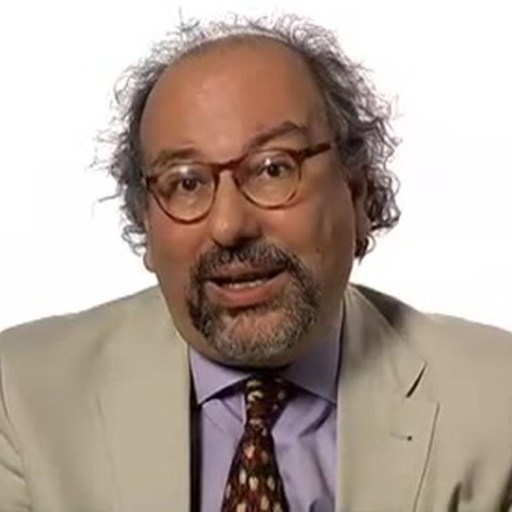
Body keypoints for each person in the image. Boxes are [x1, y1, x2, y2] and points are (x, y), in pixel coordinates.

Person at [1, 14, 512, 512]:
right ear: (146, 223)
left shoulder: (497, 401)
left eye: (272, 169)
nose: (229, 226)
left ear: (357, 193)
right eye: (186, 182)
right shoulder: (22, 394)